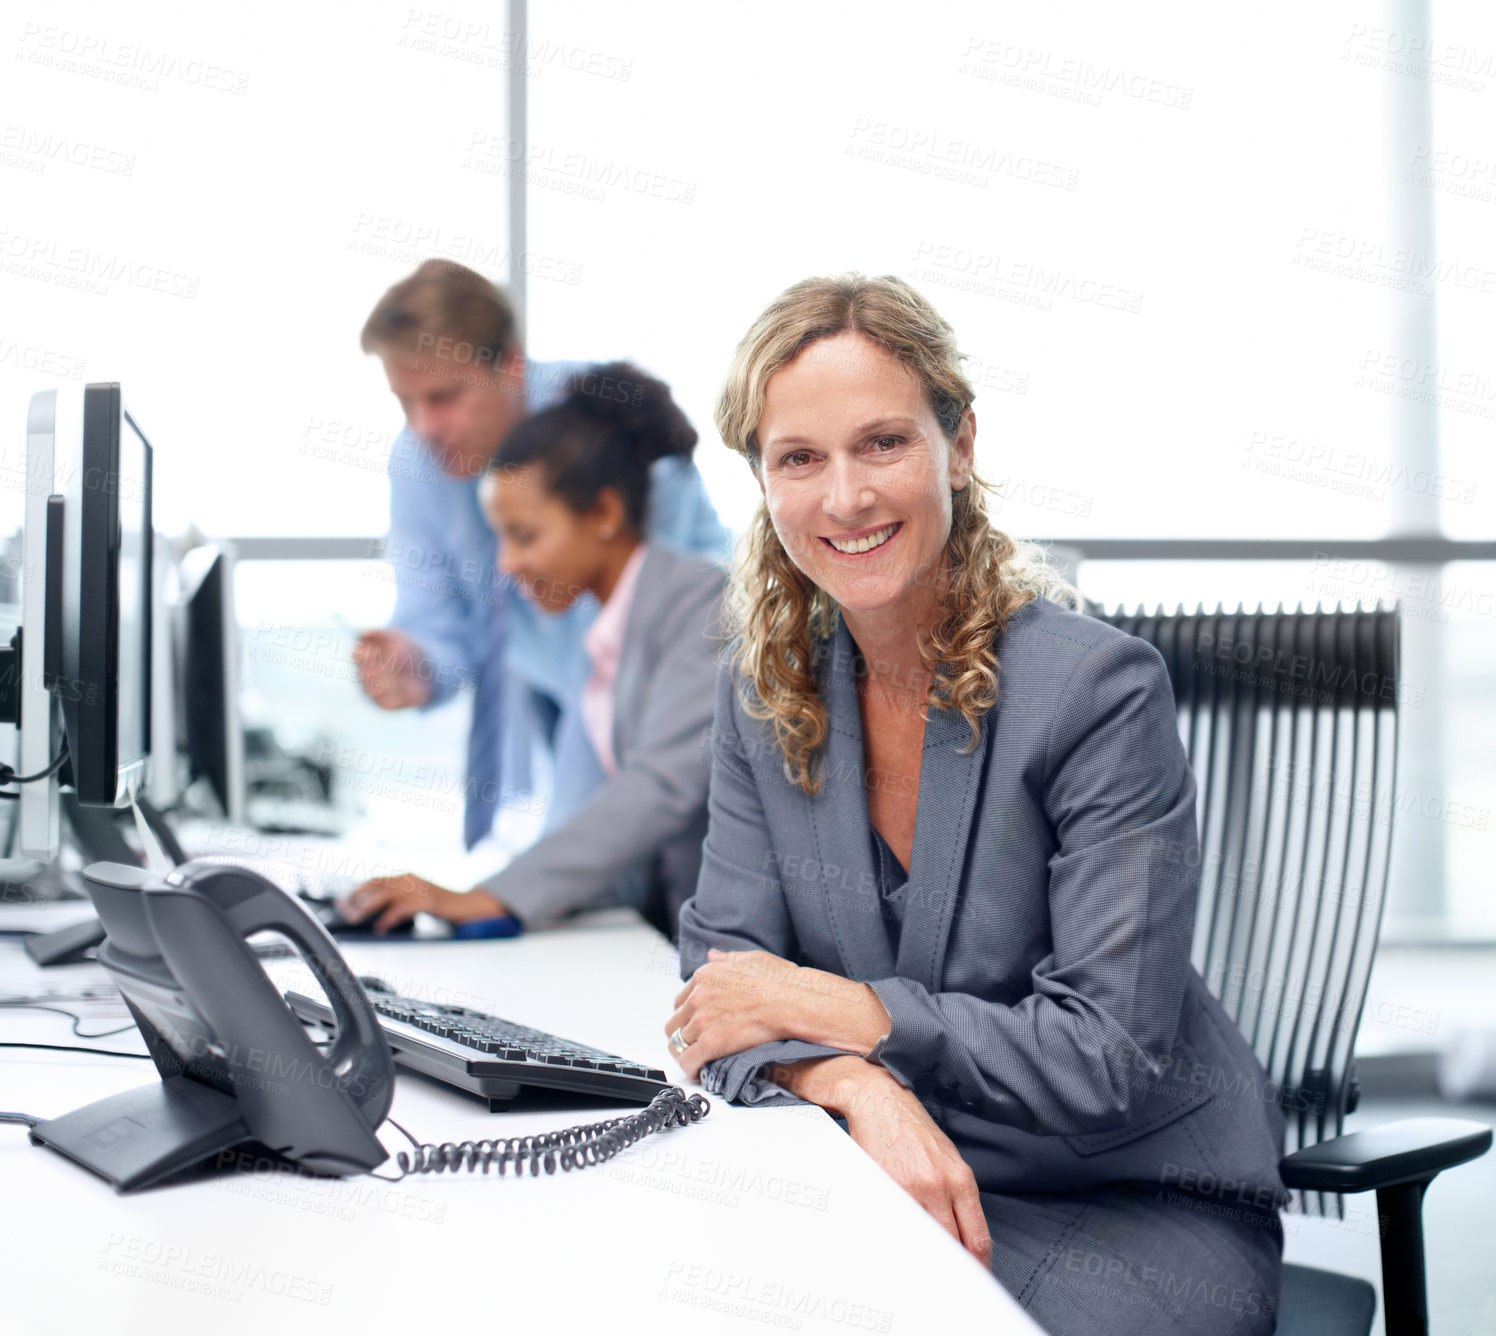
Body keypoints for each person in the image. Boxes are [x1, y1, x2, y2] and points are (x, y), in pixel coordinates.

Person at [665, 275, 1286, 1335]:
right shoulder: (766, 696)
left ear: (956, 446)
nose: (845, 497)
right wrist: (860, 1086)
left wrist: (849, 1015)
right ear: (763, 484)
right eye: (798, 458)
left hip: (1123, 1204)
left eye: (882, 444)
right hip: (879, 1172)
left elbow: (1105, 1058)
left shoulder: (1094, 691)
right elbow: (721, 994)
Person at [339, 363, 726, 939]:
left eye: (525, 536)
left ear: (604, 514)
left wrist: (489, 896)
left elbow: (661, 789)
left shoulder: (703, 605)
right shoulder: (604, 636)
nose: (506, 564)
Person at [352, 260, 729, 849]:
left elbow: (625, 651)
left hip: (680, 696)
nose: (425, 426)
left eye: (444, 397)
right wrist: (414, 665)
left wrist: (520, 890)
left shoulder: (611, 422)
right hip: (549, 697)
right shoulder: (417, 463)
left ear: (510, 364)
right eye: (406, 403)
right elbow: (443, 629)